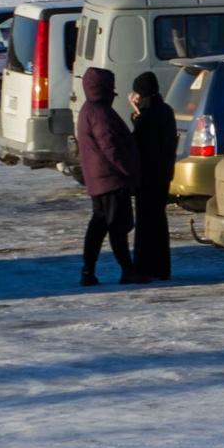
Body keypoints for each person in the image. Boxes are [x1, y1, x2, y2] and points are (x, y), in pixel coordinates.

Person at [75, 66, 137, 285]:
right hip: (110, 179)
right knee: (117, 227)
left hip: (97, 179)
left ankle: (88, 270)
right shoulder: (101, 112)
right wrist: (129, 170)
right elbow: (111, 147)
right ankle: (127, 270)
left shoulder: (88, 109)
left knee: (99, 225)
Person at [128, 71, 176, 282]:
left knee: (146, 223)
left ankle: (145, 266)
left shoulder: (146, 116)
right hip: (164, 175)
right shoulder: (166, 111)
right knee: (158, 221)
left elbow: (137, 144)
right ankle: (161, 268)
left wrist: (136, 115)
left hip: (147, 177)